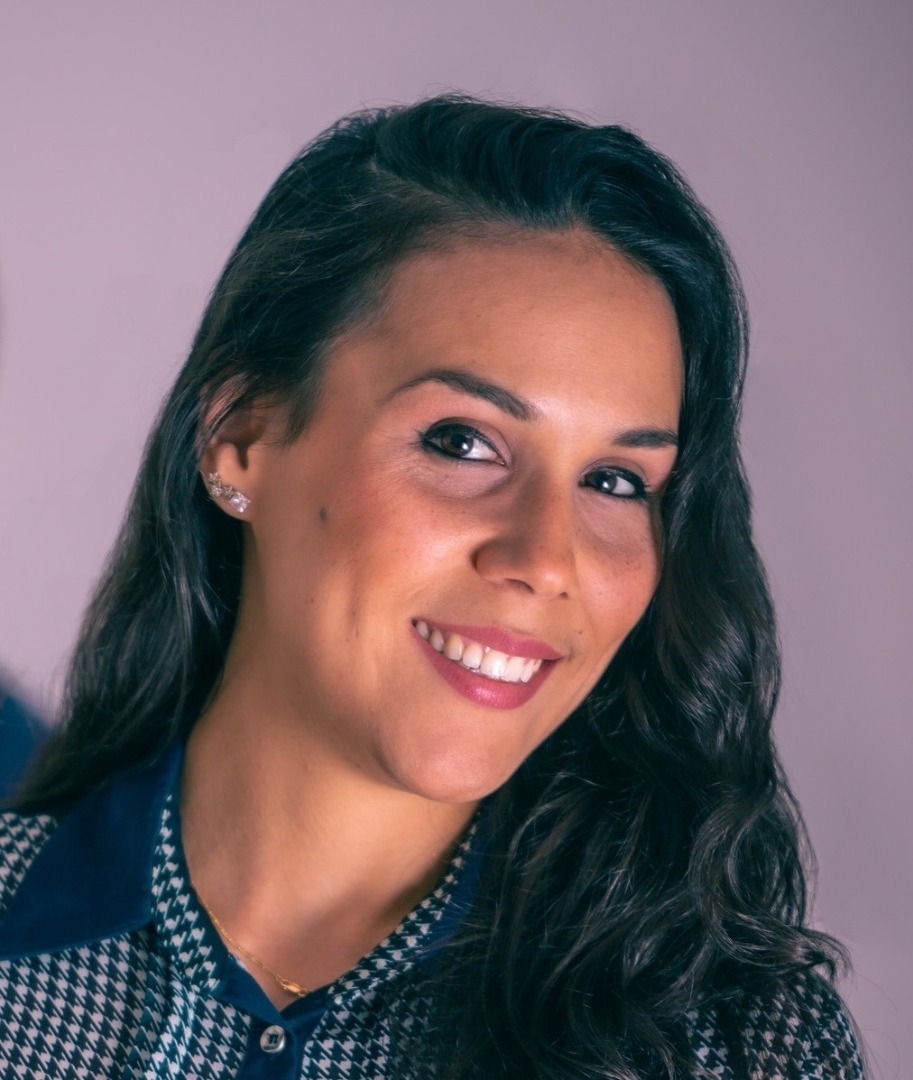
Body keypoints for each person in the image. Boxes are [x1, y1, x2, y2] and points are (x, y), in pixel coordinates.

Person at [0, 96, 865, 1079]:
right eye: (461, 441)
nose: (547, 558)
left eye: (615, 481)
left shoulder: (743, 1049)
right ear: (240, 438)